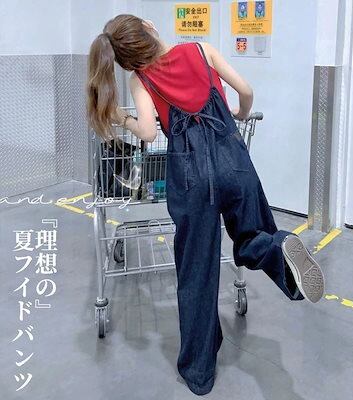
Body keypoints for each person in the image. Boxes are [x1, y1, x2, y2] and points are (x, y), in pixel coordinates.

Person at [86, 14, 325, 396]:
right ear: (149, 27)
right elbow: (246, 90)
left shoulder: (140, 79)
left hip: (191, 178)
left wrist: (122, 118)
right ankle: (278, 249)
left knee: (197, 271)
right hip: (234, 162)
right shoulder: (202, 50)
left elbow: (147, 131)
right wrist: (240, 113)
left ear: (127, 60)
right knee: (252, 236)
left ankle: (199, 373)